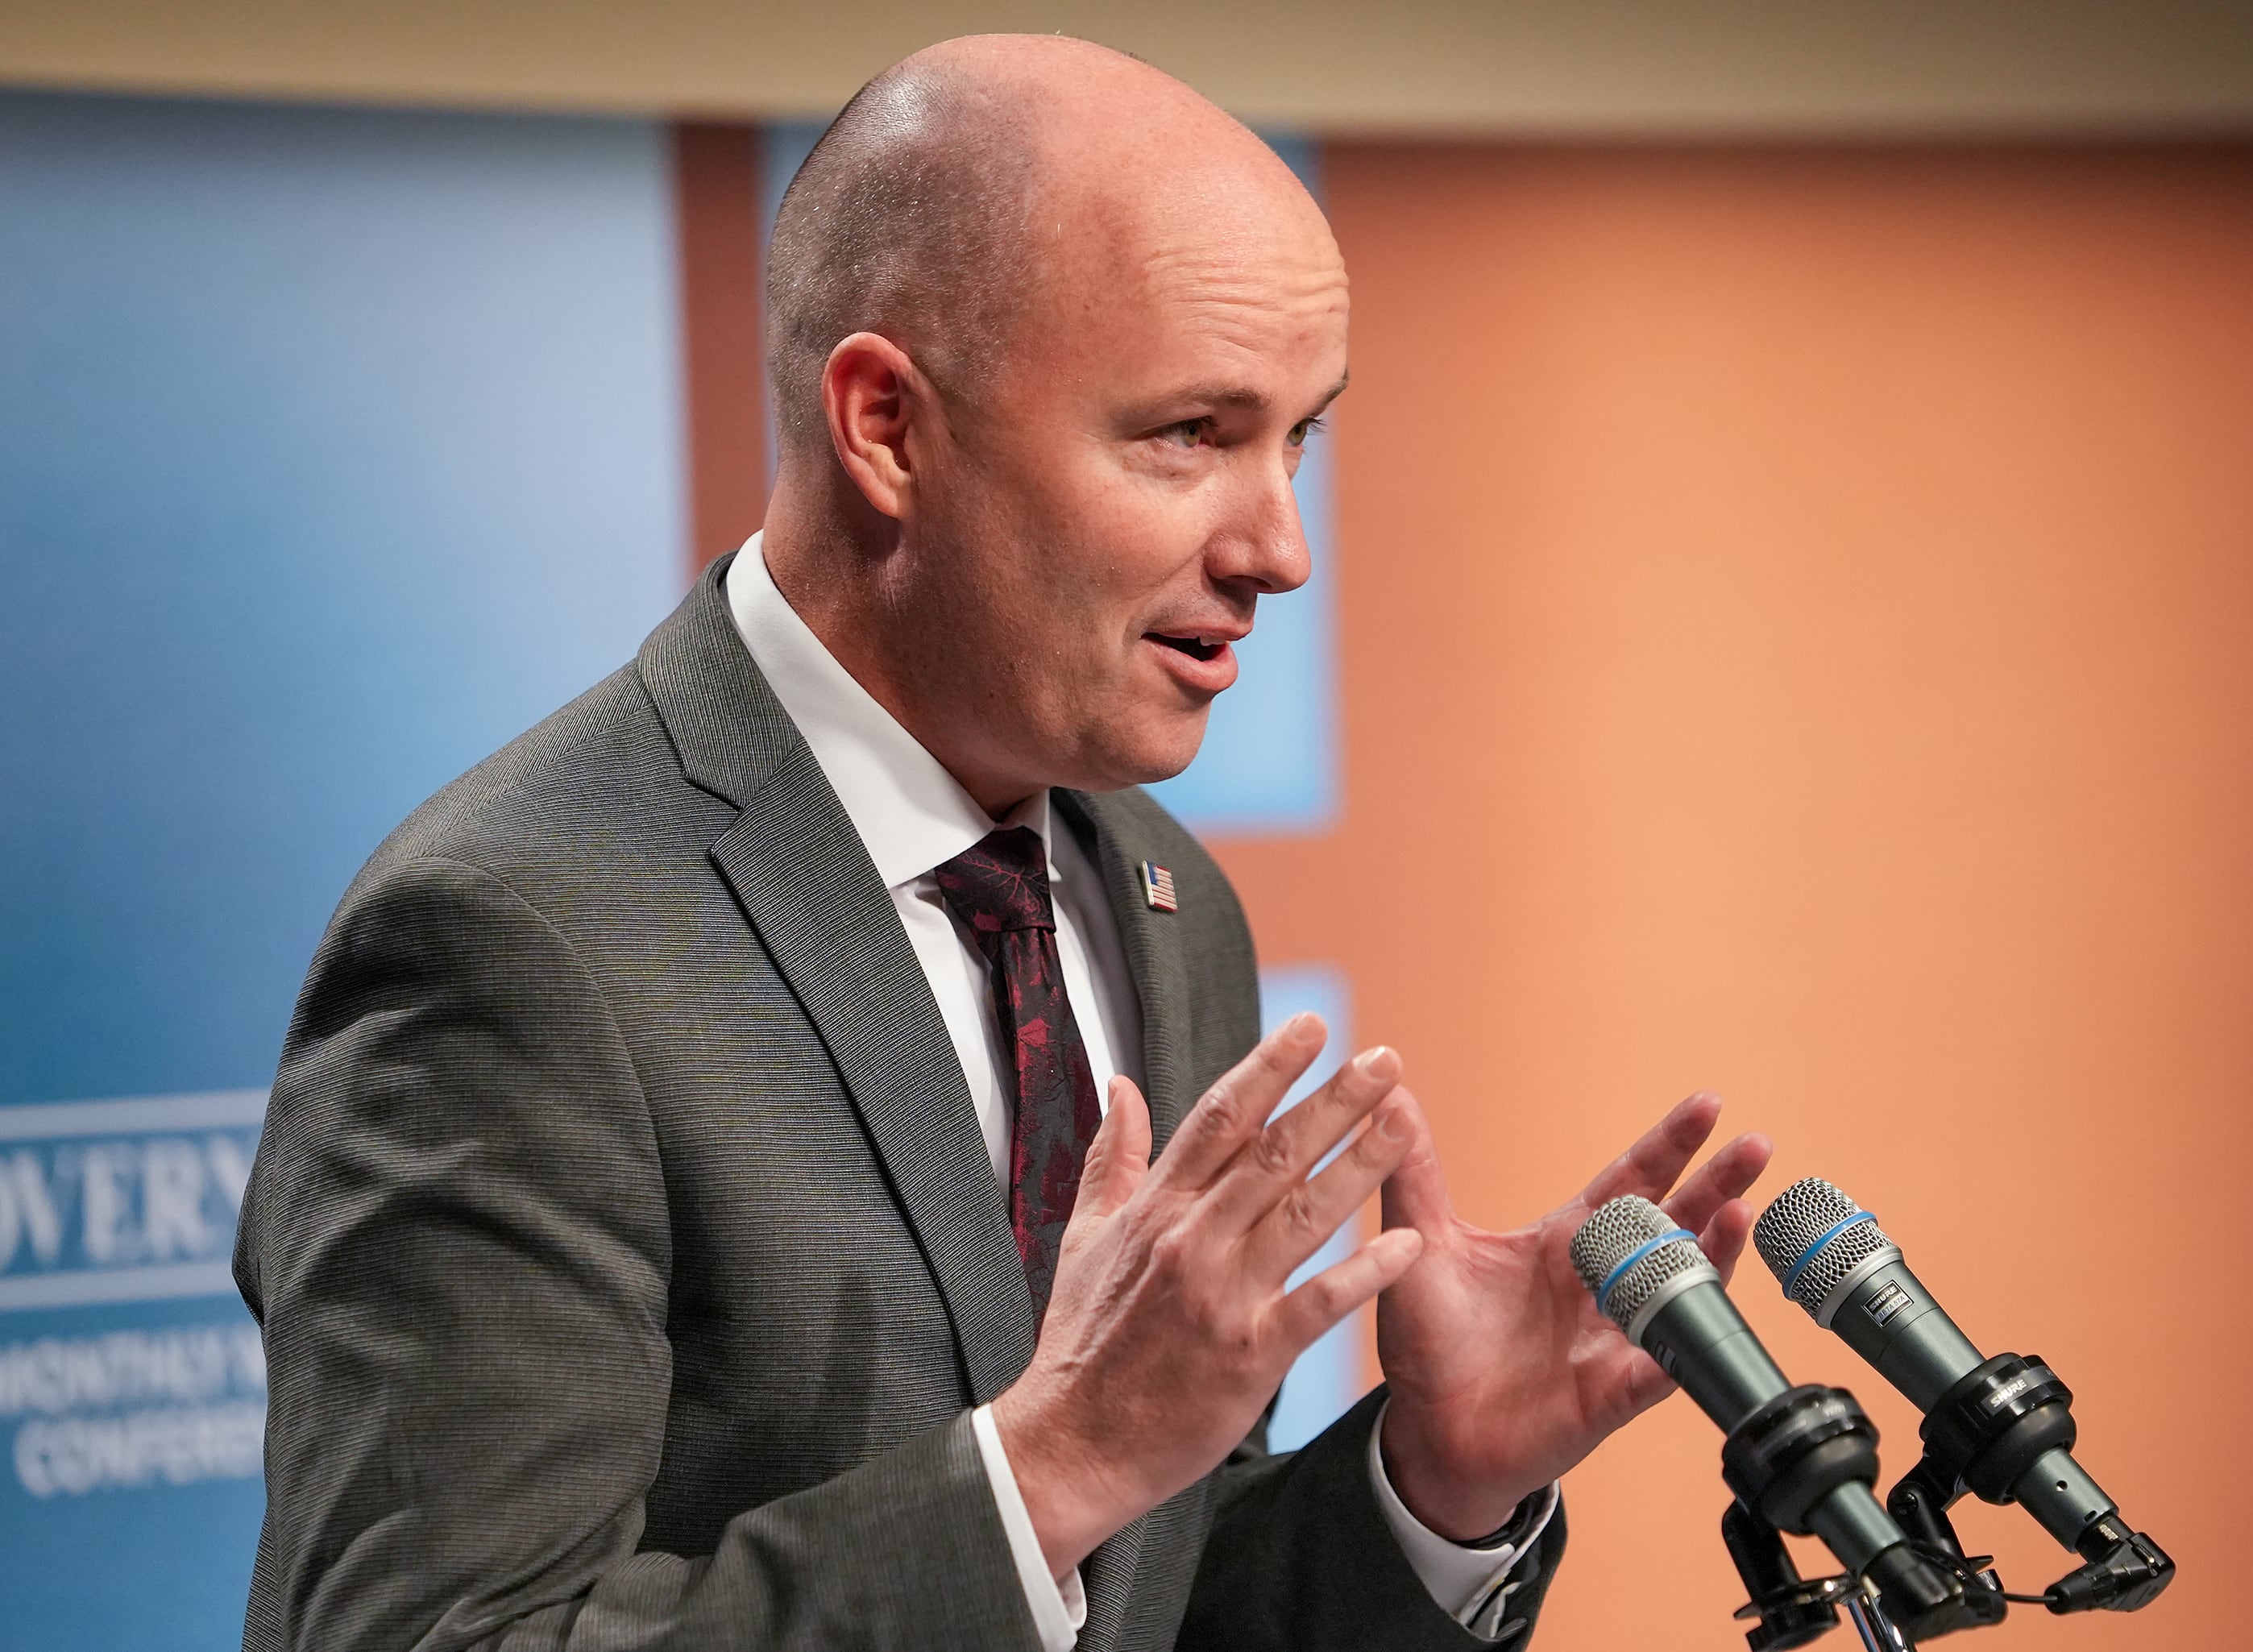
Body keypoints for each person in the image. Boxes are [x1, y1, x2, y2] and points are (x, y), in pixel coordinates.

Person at [234, 35, 1770, 1652]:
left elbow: (1135, 1601)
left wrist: (1428, 1483)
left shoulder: (1168, 905)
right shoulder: (516, 936)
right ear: (888, 425)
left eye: (1299, 437)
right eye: (1192, 432)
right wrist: (1049, 1469)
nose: (1280, 548)